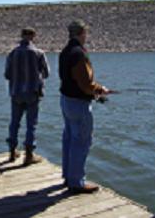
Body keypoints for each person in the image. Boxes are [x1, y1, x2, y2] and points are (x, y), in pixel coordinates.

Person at [59, 20, 114, 194]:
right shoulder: (78, 54)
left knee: (69, 139)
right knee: (81, 142)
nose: (86, 36)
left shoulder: (65, 51)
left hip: (66, 100)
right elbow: (85, 83)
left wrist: (94, 90)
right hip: (78, 104)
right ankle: (76, 182)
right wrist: (101, 90)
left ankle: (68, 176)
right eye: (85, 33)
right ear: (81, 33)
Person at [4, 27, 50, 165]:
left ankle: (12, 153)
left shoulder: (13, 53)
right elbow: (47, 73)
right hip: (33, 93)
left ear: (21, 35)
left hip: (16, 93)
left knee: (14, 123)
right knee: (31, 125)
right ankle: (29, 155)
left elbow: (7, 75)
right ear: (33, 36)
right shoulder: (39, 53)